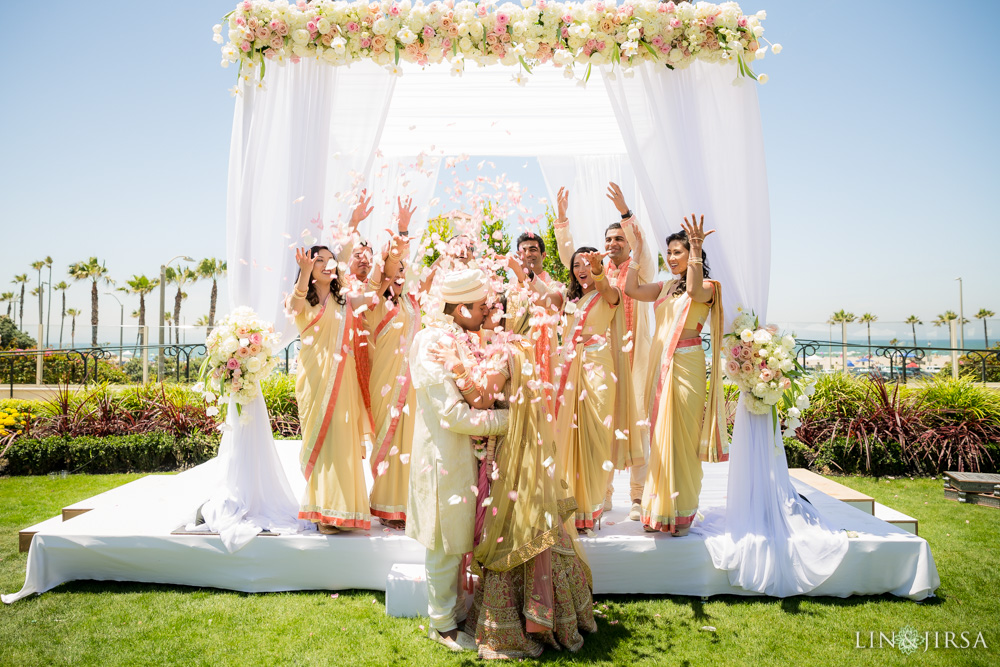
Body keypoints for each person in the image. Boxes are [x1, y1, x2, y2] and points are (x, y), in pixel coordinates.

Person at [435, 292, 597, 659]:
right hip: (525, 451)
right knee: (533, 524)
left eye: (492, 309)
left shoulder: (503, 352)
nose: (487, 314)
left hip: (510, 454)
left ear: (509, 317)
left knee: (512, 528)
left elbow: (480, 399)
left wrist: (455, 366)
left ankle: (518, 626)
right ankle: (556, 617)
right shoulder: (524, 351)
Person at [407, 268, 510, 652]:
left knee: (459, 536)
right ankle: (442, 624)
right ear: (463, 308)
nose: (489, 311)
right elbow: (451, 415)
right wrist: (508, 420)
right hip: (443, 456)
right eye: (483, 306)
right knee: (444, 542)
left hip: (468, 458)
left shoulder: (462, 337)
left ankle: (456, 611)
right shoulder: (431, 341)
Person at [553, 184, 654, 520]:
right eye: (608, 240)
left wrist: (626, 212)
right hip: (603, 359)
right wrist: (562, 220)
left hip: (635, 355)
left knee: (638, 424)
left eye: (619, 240)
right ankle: (602, 494)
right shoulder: (600, 274)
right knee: (602, 424)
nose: (612, 245)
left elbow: (641, 245)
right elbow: (574, 259)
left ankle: (638, 497)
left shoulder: (639, 268)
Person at [622, 216, 727, 536]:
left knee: (681, 439)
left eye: (677, 252)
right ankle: (658, 511)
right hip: (661, 367)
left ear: (692, 254)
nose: (671, 257)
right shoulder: (665, 286)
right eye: (669, 252)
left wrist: (696, 247)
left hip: (686, 365)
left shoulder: (710, 287)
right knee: (660, 440)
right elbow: (631, 289)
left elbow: (694, 290)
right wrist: (636, 254)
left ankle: (681, 514)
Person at [554, 247, 644, 532]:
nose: (582, 269)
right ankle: (571, 506)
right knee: (569, 436)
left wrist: (598, 271)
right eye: (577, 264)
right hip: (569, 366)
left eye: (588, 264)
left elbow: (606, 287)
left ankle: (591, 508)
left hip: (597, 365)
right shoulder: (571, 300)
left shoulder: (611, 293)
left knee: (595, 437)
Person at [287, 245, 372, 534]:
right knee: (322, 442)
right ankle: (322, 512)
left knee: (342, 441)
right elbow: (294, 308)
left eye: (330, 260)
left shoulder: (344, 299)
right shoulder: (302, 299)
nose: (326, 265)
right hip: (315, 380)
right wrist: (304, 275)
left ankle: (343, 510)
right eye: (318, 261)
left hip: (344, 379)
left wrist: (356, 222)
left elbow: (368, 298)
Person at [359, 197, 419, 529]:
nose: (400, 272)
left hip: (412, 384)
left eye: (403, 270)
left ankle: (407, 505)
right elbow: (388, 266)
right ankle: (384, 503)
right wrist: (401, 232)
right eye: (395, 268)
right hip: (384, 380)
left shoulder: (411, 300)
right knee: (387, 438)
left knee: (409, 443)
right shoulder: (374, 298)